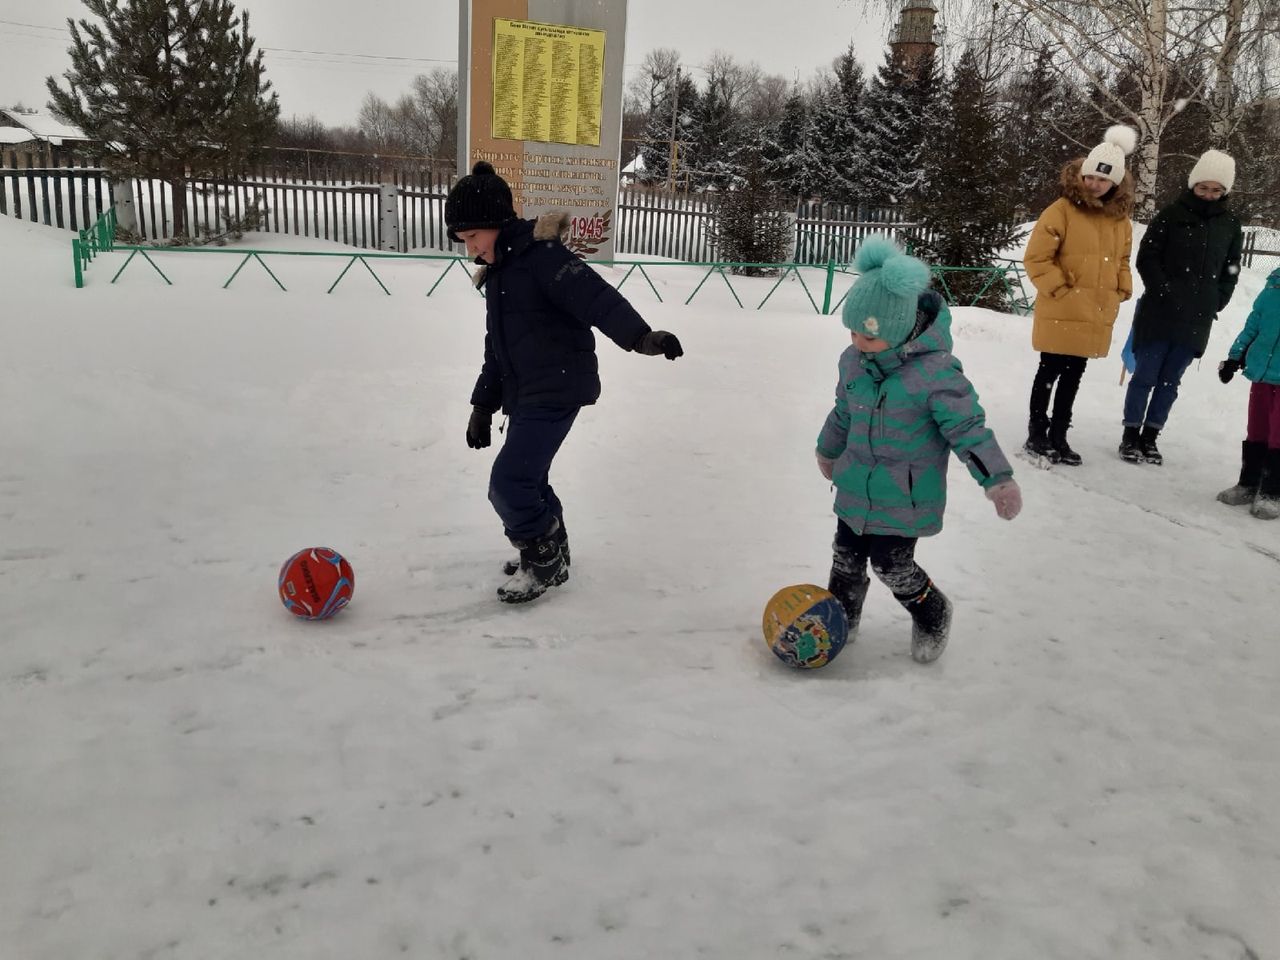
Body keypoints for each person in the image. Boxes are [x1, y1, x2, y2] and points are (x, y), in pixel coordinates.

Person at [446, 161, 684, 603]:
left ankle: (544, 555)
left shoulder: (542, 257)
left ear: (496, 225)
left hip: (557, 387)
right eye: (464, 243)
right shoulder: (499, 277)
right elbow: (495, 349)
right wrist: (482, 406)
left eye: (473, 238)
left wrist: (641, 337)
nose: (471, 250)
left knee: (510, 482)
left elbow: (597, 299)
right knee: (529, 479)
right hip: (525, 393)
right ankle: (549, 550)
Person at [815, 237, 1022, 664]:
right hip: (854, 484)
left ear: (900, 328)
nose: (857, 341)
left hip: (904, 493)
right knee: (845, 559)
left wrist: (996, 478)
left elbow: (968, 429)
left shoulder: (935, 375)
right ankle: (840, 620)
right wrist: (827, 450)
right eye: (851, 330)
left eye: (868, 334)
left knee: (892, 565)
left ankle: (932, 611)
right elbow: (843, 412)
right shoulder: (852, 362)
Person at [1120, 150, 1243, 465]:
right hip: (1160, 312)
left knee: (1169, 382)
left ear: (1225, 191)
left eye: (1216, 190)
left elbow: (1231, 266)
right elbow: (1147, 256)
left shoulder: (1230, 224)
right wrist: (1163, 289)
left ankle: (1150, 437)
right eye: (1204, 188)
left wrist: (1218, 298)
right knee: (1145, 376)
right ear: (1193, 185)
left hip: (1196, 318)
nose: (1209, 195)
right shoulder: (1171, 215)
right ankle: (1130, 434)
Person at [1023, 125, 1136, 465]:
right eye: (1091, 177)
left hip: (1094, 313)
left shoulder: (1120, 221)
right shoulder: (1061, 210)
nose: (1095, 185)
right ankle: (1036, 434)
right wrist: (1060, 288)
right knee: (1049, 372)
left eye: (1103, 180)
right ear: (1082, 175)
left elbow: (1122, 260)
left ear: (1114, 183)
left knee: (1074, 376)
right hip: (1062, 308)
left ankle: (1060, 435)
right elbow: (1037, 257)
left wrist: (1121, 288)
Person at [1216, 267, 1280, 520]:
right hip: (1262, 372)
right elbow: (1254, 323)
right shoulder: (1274, 284)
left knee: (1278, 434)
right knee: (1257, 430)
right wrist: (1235, 356)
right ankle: (1249, 483)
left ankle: (1272, 492)